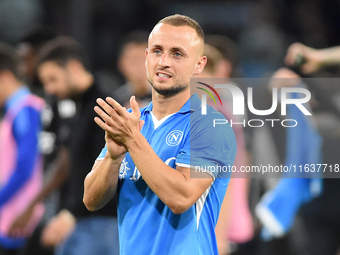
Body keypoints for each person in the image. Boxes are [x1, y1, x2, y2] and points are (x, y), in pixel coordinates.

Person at [83, 14, 237, 255]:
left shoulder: (209, 124)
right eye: (157, 51)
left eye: (177, 54)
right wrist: (112, 159)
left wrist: (133, 141)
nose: (164, 61)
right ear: (147, 57)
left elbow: (181, 198)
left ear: (199, 64)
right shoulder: (131, 121)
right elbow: (91, 200)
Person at [10, 36, 119, 255]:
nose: (49, 89)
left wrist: (70, 213)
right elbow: (70, 164)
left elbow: (108, 171)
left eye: (53, 79)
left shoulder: (105, 108)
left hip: (100, 224)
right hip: (81, 220)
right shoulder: (74, 109)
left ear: (73, 67)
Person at [0, 42, 45, 255]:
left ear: (5, 75)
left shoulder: (26, 109)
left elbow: (25, 166)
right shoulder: (14, 112)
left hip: (21, 219)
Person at [113, 30, 151, 107]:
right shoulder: (115, 100)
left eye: (144, 59)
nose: (139, 66)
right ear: (120, 64)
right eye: (133, 61)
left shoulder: (170, 96)